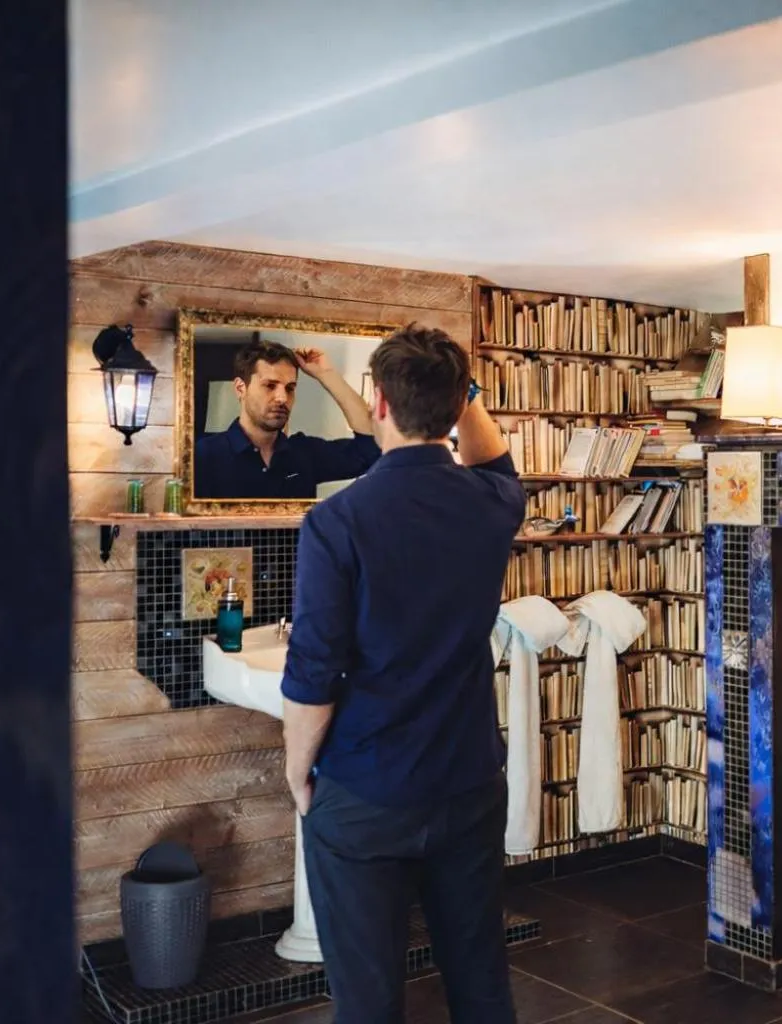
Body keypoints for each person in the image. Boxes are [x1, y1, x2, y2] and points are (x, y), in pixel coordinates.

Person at [279, 324, 524, 1023]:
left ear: (377, 403)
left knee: (369, 997)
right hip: (470, 780)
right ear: (456, 405)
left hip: (366, 791)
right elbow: (495, 460)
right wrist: (460, 394)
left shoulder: (337, 520)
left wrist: (299, 771)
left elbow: (313, 669)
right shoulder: (494, 504)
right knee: (480, 980)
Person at [194, 338, 381, 499]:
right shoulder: (204, 455)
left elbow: (371, 448)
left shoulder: (305, 453)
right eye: (270, 385)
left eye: (290, 388)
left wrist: (327, 374)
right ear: (240, 388)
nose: (283, 398)